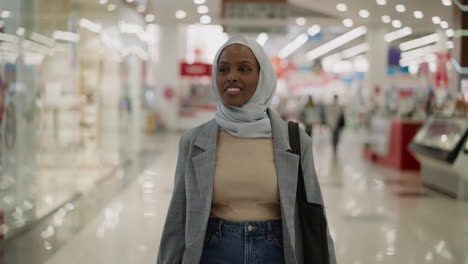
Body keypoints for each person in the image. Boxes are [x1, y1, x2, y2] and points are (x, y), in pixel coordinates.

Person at [157, 35, 336, 264]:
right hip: (213, 253)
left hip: (277, 254)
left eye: (244, 69)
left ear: (263, 77)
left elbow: (315, 217)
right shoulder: (193, 142)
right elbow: (178, 219)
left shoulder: (295, 141)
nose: (232, 76)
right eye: (223, 69)